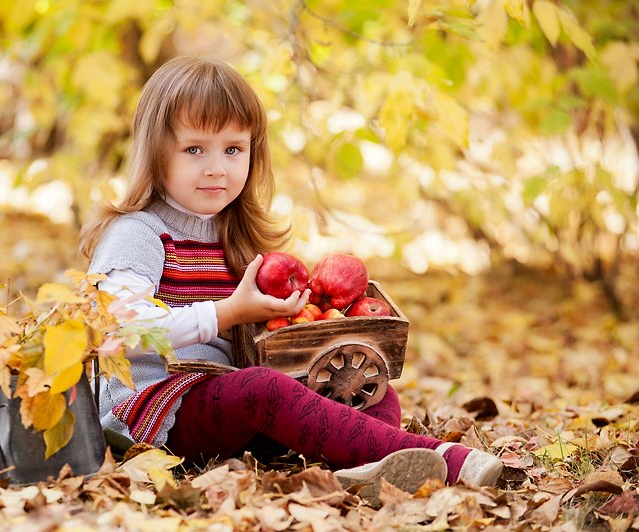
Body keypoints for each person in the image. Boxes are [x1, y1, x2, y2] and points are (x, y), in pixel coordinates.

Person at [79, 56, 503, 504]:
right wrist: (228, 313)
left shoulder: (236, 237)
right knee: (262, 390)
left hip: (228, 399)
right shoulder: (137, 233)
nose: (216, 168)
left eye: (233, 149)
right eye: (193, 149)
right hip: (151, 413)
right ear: (155, 149)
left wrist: (314, 326)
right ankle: (449, 461)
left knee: (369, 395)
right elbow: (118, 330)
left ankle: (366, 469)